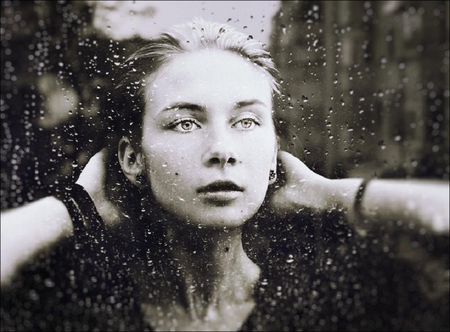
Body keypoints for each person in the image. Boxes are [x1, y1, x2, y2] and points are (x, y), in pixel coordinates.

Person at [1, 18, 449, 331]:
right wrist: (73, 208)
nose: (222, 151)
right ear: (133, 158)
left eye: (247, 121)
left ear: (275, 153)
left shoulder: (342, 306)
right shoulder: (73, 312)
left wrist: (334, 193)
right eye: (185, 122)